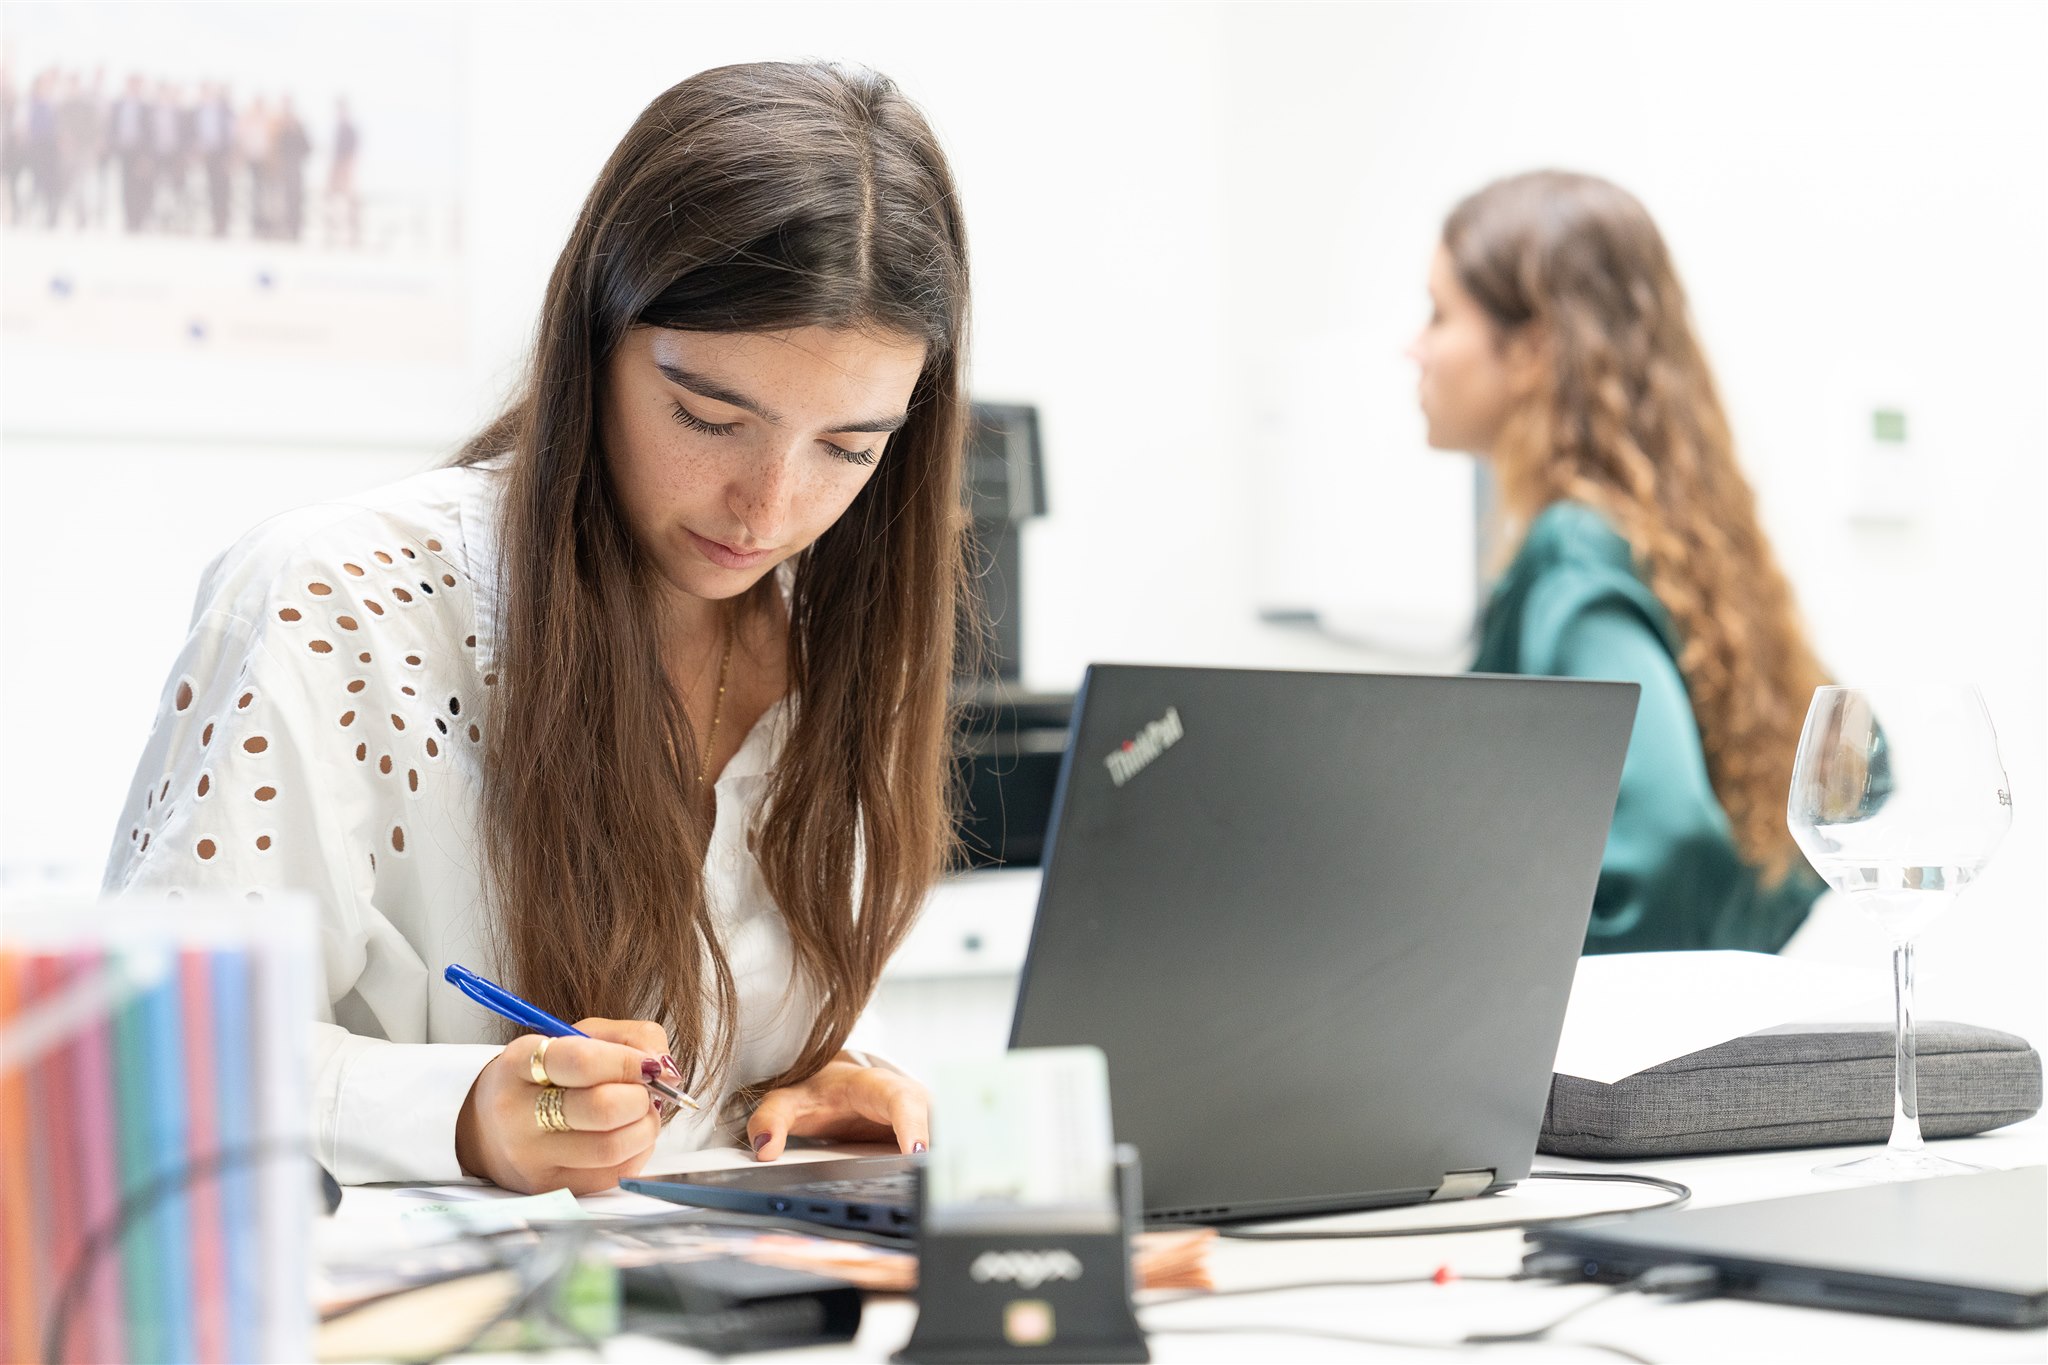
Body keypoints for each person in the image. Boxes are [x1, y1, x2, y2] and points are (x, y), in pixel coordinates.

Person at [103, 62, 970, 1194]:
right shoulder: (340, 600)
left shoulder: (843, 643)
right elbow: (141, 1059)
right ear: (592, 340)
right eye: (708, 417)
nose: (768, 507)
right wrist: (461, 1117)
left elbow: (728, 1058)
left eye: (847, 449)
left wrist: (812, 1082)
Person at [1408, 169, 1827, 953]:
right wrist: (1731, 951)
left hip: (1579, 1073)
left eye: (1438, 314)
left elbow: (1668, 839)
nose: (1416, 347)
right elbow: (1851, 768)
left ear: (1532, 349)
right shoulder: (1659, 538)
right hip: (1682, 1066)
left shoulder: (1571, 550)